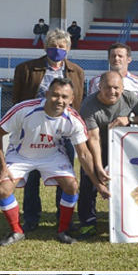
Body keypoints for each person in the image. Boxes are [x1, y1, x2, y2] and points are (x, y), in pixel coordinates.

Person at [0, 77, 107, 246]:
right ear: (46, 94)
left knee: (72, 186)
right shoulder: (24, 109)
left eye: (65, 97)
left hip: (52, 155)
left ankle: (63, 230)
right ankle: (16, 231)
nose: (59, 100)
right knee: (2, 189)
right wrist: (2, 167)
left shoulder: (73, 119)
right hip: (20, 155)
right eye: (55, 95)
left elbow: (84, 154)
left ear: (71, 99)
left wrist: (97, 183)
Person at [12, 27, 84, 233]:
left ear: (68, 49)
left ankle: (64, 217)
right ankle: (31, 217)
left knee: (65, 174)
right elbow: (17, 99)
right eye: (53, 46)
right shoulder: (26, 69)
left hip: (64, 132)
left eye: (61, 47)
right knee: (32, 173)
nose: (57, 50)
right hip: (33, 129)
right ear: (46, 47)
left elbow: (76, 101)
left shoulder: (76, 72)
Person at [78, 71, 138, 239]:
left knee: (130, 183)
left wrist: (130, 120)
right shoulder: (88, 105)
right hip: (97, 146)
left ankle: (127, 220)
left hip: (123, 149)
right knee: (88, 182)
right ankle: (87, 223)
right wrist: (98, 167)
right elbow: (94, 138)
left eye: (116, 88)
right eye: (107, 88)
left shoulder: (130, 98)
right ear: (99, 87)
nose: (112, 91)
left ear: (123, 88)